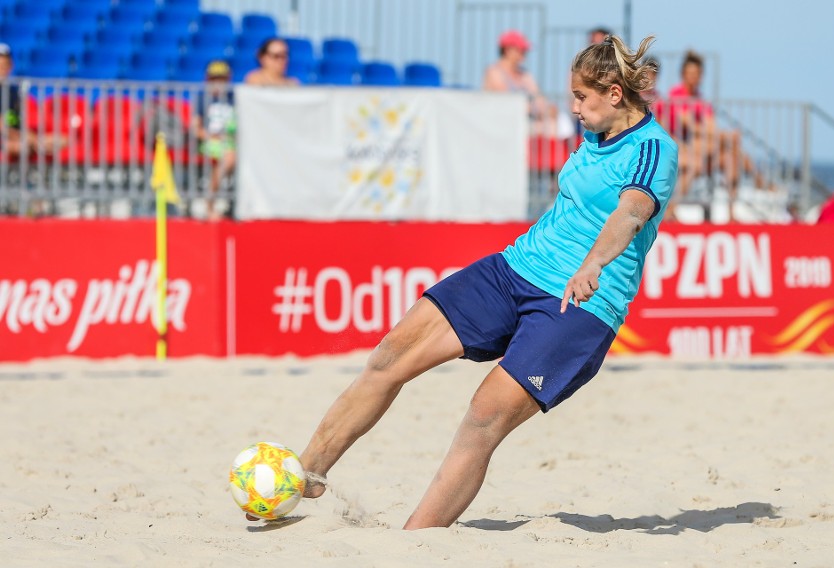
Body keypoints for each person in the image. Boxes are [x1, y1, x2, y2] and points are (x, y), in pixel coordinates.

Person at [247, 34, 677, 530]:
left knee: (482, 419)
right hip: (517, 267)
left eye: (581, 97)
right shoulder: (595, 133)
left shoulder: (653, 149)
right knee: (390, 354)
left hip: (581, 303)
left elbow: (631, 211)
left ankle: (415, 543)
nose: (574, 108)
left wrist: (593, 263)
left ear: (615, 95)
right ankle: (309, 471)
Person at [667, 50, 764, 221]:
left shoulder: (699, 99)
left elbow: (710, 126)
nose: (693, 77)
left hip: (701, 149)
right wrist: (725, 136)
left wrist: (722, 136)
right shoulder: (677, 95)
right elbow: (691, 127)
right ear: (683, 74)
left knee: (731, 158)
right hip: (680, 145)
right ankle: (757, 177)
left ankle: (732, 213)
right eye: (690, 73)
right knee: (722, 145)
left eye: (696, 74)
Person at [482, 30, 558, 136]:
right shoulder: (494, 72)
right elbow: (507, 101)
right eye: (521, 50)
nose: (524, 53)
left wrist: (547, 109)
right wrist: (533, 108)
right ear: (508, 50)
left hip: (524, 121)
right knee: (545, 128)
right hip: (503, 123)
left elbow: (538, 98)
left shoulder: (524, 74)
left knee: (553, 124)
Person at [193, 60, 236, 220]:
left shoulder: (234, 98)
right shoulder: (202, 99)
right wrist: (213, 137)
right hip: (211, 143)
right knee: (230, 157)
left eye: (222, 79)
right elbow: (196, 128)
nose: (218, 83)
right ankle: (209, 203)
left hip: (233, 142)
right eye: (214, 79)